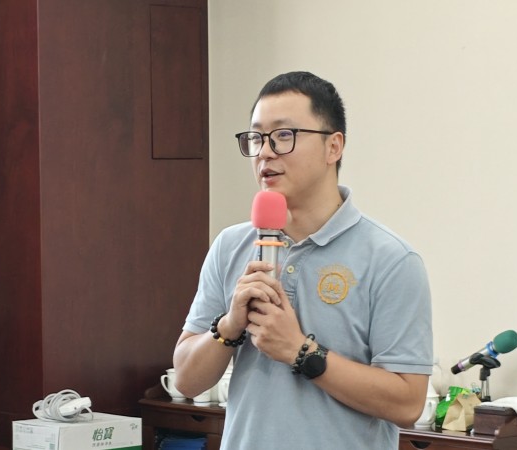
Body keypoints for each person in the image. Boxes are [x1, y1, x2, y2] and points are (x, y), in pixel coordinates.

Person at [173, 71, 433, 449]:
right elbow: (185, 380)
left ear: (333, 147)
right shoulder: (230, 245)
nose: (265, 152)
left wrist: (300, 352)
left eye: (283, 135)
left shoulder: (392, 260)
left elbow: (408, 403)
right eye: (256, 138)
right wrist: (229, 326)